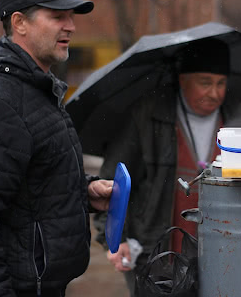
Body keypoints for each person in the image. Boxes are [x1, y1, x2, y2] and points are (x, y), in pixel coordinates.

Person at [0, 0, 113, 297]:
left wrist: (84, 192)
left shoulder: (36, 90)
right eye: (57, 16)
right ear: (19, 23)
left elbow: (29, 187)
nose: (70, 26)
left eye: (70, 17)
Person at [94, 38, 232, 296]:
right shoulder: (147, 115)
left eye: (221, 83)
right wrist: (115, 240)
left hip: (220, 253)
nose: (214, 93)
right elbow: (114, 181)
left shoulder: (236, 119)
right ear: (183, 80)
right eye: (205, 83)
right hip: (155, 250)